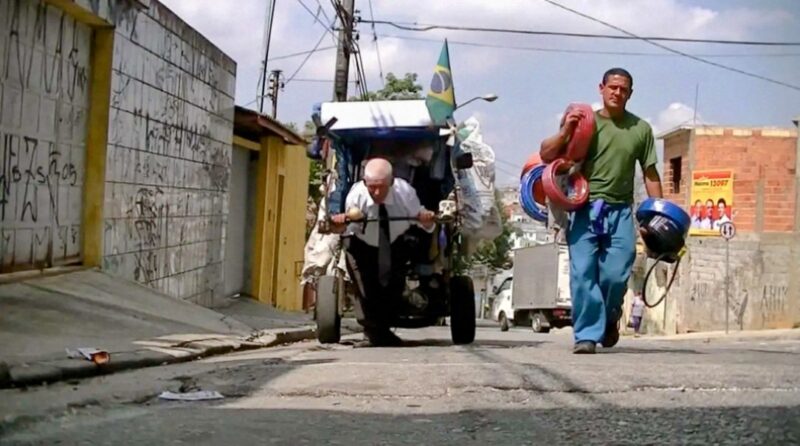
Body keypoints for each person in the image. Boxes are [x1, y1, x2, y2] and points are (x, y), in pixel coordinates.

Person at [540, 67, 663, 354]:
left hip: (621, 212)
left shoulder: (641, 129)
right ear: (601, 88)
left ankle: (609, 317)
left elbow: (650, 173)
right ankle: (586, 335)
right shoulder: (585, 123)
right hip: (584, 209)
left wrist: (657, 213)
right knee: (583, 274)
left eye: (623, 89)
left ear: (630, 94)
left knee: (615, 275)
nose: (617, 93)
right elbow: (547, 154)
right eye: (613, 87)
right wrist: (566, 130)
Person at [330, 158, 436, 346]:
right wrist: (339, 222)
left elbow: (423, 223)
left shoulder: (405, 193)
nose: (376, 193)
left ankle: (383, 328)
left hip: (395, 242)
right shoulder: (357, 196)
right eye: (372, 187)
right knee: (365, 287)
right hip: (361, 243)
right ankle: (373, 331)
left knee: (392, 285)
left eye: (381, 187)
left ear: (392, 182)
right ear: (364, 183)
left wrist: (427, 220)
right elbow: (344, 230)